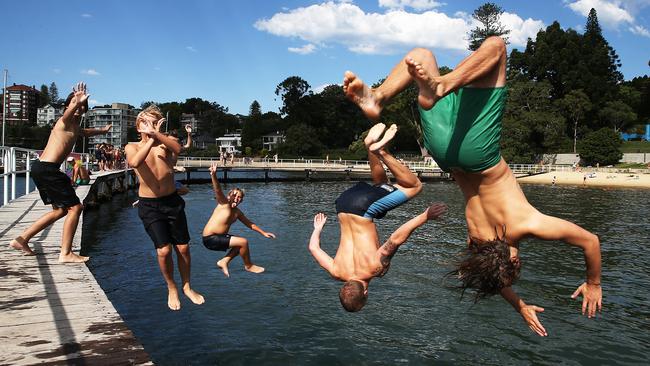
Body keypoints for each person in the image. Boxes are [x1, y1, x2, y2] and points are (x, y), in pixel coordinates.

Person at [343, 37, 601, 336]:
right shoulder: (476, 240)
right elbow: (494, 279)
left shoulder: (527, 225)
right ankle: (379, 97)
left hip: (478, 154)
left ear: (511, 256)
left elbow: (590, 241)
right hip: (445, 155)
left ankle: (418, 90)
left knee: (496, 47)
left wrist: (593, 283)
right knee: (421, 55)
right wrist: (519, 306)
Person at [309, 123, 442, 312]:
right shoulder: (336, 272)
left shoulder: (373, 269)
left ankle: (380, 151)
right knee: (382, 185)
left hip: (364, 209)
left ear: (365, 294)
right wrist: (317, 229)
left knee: (414, 186)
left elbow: (395, 240)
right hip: (343, 205)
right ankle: (370, 144)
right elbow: (313, 247)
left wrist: (425, 216)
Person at [9, 82, 111, 262]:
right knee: (76, 207)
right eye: (76, 106)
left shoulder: (75, 128)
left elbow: (86, 132)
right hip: (47, 169)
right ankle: (65, 253)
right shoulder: (63, 122)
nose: (79, 110)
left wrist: (102, 130)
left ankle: (21, 239)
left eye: (83, 107)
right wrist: (76, 101)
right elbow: (68, 113)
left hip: (44, 168)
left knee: (60, 210)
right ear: (68, 107)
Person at [125, 104, 204, 311]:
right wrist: (151, 137)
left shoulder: (166, 144)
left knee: (184, 248)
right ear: (138, 126)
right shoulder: (132, 146)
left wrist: (157, 136)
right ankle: (172, 287)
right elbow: (134, 162)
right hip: (149, 205)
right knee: (163, 251)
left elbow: (178, 149)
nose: (151, 124)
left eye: (155, 121)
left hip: (171, 201)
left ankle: (187, 286)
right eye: (146, 121)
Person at [202, 162, 276, 277]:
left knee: (240, 246)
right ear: (229, 196)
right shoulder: (224, 204)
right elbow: (217, 190)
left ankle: (224, 261)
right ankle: (249, 266)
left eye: (239, 197)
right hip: (210, 238)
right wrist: (213, 175)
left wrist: (263, 233)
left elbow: (249, 224)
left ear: (242, 200)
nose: (237, 198)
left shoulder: (237, 212)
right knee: (243, 242)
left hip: (218, 238)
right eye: (235, 195)